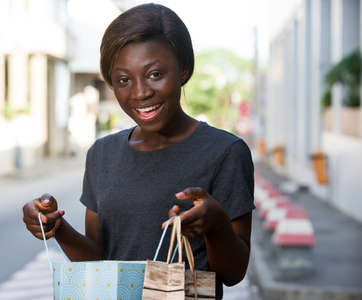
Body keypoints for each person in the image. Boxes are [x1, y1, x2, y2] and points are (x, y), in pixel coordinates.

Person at [22, 3, 255, 299]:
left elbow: (233, 274)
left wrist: (216, 224)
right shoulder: (101, 154)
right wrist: (56, 226)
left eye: (155, 74)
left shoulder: (225, 152)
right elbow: (98, 262)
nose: (140, 92)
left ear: (184, 69)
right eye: (123, 80)